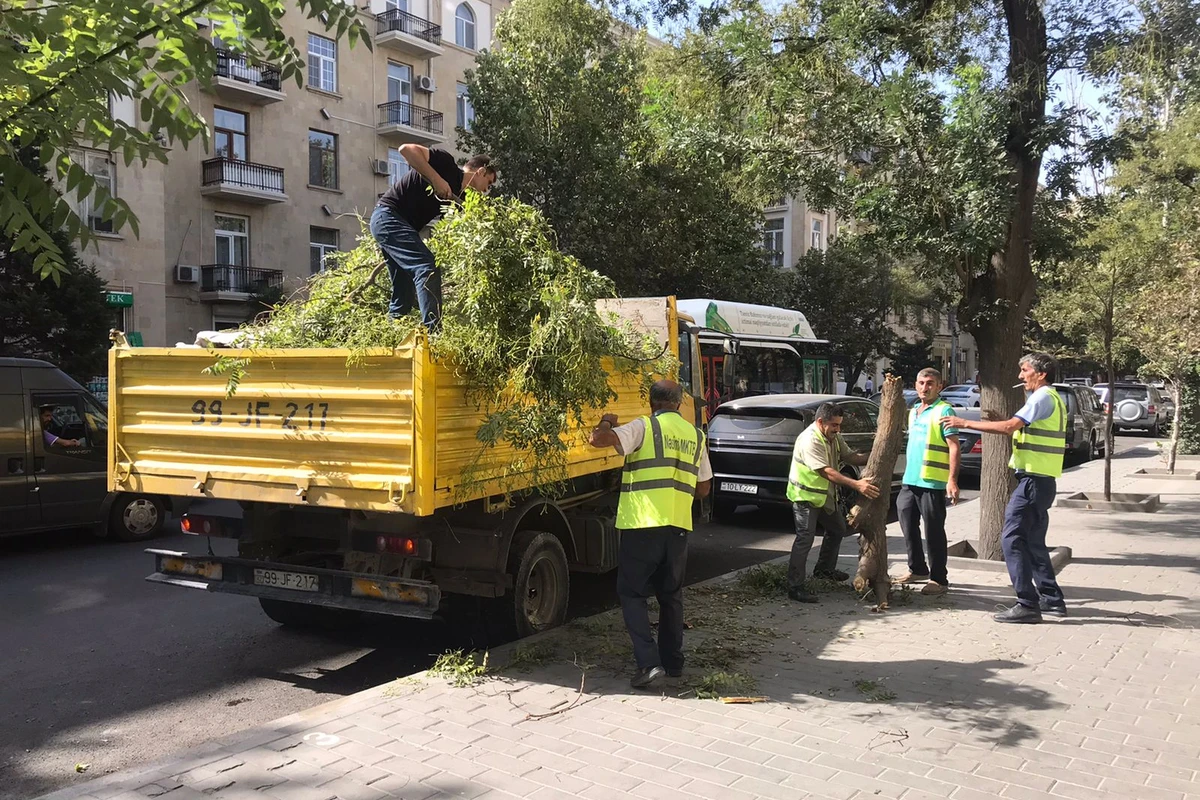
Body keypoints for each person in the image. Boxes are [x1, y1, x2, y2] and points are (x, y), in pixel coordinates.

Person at [588, 380, 712, 689]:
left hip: (642, 524)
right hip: (678, 527)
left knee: (632, 594)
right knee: (671, 596)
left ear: (651, 403)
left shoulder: (644, 427)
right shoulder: (696, 435)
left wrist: (607, 421)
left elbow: (597, 440)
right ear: (680, 403)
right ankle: (673, 663)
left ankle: (648, 663)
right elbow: (704, 488)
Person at [941, 352, 1068, 623]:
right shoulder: (1052, 398)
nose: (1020, 376)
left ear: (1040, 373)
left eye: (1024, 370)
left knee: (1011, 539)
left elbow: (1010, 426)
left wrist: (965, 422)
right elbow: (1018, 429)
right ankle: (1052, 600)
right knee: (1033, 542)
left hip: (1033, 481)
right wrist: (1000, 422)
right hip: (1042, 481)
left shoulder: (1042, 397)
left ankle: (1027, 604)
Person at [370, 145, 497, 330]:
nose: (487, 190)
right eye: (490, 183)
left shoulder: (457, 199)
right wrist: (436, 179)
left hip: (399, 227)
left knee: (403, 293)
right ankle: (434, 333)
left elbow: (453, 231)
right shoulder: (445, 163)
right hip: (388, 217)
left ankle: (388, 336)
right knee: (426, 267)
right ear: (481, 171)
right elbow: (406, 149)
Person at [785, 402, 879, 602]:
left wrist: (875, 456)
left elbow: (850, 456)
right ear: (820, 422)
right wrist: (857, 484)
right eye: (834, 425)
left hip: (824, 497)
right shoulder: (810, 440)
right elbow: (825, 471)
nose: (838, 429)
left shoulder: (833, 437)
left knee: (837, 529)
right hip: (805, 497)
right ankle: (795, 587)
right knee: (805, 540)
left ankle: (824, 570)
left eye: (839, 425)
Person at [894, 367, 960, 596]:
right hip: (910, 480)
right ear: (915, 384)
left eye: (930, 383)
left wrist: (952, 480)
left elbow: (954, 446)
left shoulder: (944, 410)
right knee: (907, 524)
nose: (925, 387)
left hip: (932, 482)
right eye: (921, 383)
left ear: (939, 386)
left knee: (933, 532)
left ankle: (939, 579)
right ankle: (917, 569)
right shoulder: (914, 411)